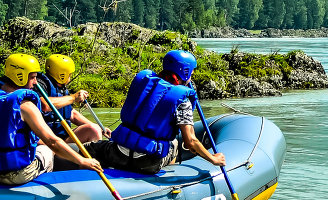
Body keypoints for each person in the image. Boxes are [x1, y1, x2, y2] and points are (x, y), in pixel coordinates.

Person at [86, 49, 225, 175]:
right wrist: (213, 158)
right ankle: (166, 181)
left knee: (91, 147)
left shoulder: (144, 84)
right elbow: (190, 142)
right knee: (175, 144)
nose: (192, 76)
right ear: (185, 71)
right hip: (147, 163)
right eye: (192, 72)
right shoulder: (183, 101)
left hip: (117, 153)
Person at [0, 53, 101, 186]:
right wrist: (82, 161)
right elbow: (52, 142)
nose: (35, 82)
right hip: (15, 175)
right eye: (33, 77)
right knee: (47, 150)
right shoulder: (26, 106)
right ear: (20, 77)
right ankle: (48, 187)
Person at [35, 53, 109, 144]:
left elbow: (72, 114)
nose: (70, 78)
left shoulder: (62, 88)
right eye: (69, 75)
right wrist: (73, 97)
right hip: (45, 140)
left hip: (63, 138)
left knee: (94, 129)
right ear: (62, 75)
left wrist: (100, 128)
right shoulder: (39, 84)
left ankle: (94, 157)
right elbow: (44, 105)